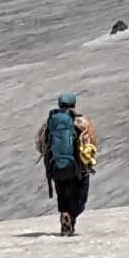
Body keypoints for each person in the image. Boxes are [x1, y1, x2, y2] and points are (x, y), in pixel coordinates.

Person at [41, 92, 99, 235]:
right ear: (74, 104)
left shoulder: (50, 122)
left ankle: (65, 213)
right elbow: (91, 142)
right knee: (79, 197)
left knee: (63, 195)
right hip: (78, 168)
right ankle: (71, 217)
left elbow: (41, 143)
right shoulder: (81, 122)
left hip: (56, 166)